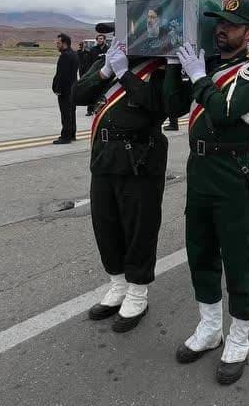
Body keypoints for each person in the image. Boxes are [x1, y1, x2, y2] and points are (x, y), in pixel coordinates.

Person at [164, 0, 249, 386]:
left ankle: (239, 337)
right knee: (201, 250)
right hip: (201, 168)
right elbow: (172, 107)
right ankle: (210, 328)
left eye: (231, 24)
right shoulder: (207, 68)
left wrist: (197, 76)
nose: (221, 29)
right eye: (218, 23)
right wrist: (174, 69)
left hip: (233, 171)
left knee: (238, 256)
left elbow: (226, 113)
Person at [74, 41, 169, 332]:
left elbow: (160, 107)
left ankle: (138, 292)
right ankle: (117, 284)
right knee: (106, 225)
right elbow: (77, 95)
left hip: (140, 158)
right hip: (104, 156)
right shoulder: (109, 60)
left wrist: (126, 75)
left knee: (139, 227)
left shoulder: (160, 66)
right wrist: (104, 71)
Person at [53, 33, 79, 144]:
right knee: (71, 112)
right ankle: (72, 133)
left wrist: (58, 89)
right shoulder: (73, 54)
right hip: (72, 88)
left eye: (58, 43)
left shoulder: (65, 56)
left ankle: (65, 137)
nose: (56, 45)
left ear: (64, 43)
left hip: (65, 90)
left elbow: (62, 75)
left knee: (66, 113)